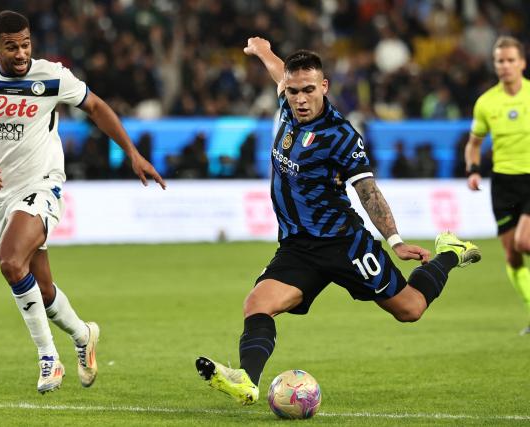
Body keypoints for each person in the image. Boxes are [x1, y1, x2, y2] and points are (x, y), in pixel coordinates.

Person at [195, 37, 481, 405]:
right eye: (294, 90)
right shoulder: (286, 101)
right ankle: (246, 381)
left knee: (410, 310)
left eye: (308, 90)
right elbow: (277, 72)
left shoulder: (342, 136)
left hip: (344, 243)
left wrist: (394, 241)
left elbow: (368, 193)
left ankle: (451, 252)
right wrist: (262, 50)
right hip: (298, 246)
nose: (300, 99)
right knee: (256, 304)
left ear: (324, 86)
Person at [0, 10, 166, 394]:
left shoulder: (52, 76)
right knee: (42, 290)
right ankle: (83, 336)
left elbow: (96, 107)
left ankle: (48, 358)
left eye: (26, 44)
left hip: (42, 184)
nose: (20, 53)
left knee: (11, 262)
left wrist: (131, 152)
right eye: (11, 46)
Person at [465, 36, 530, 336]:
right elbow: (474, 143)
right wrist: (474, 170)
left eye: (509, 60)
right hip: (503, 184)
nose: (504, 66)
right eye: (499, 61)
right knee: (512, 256)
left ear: (522, 63)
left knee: (524, 242)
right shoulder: (486, 102)